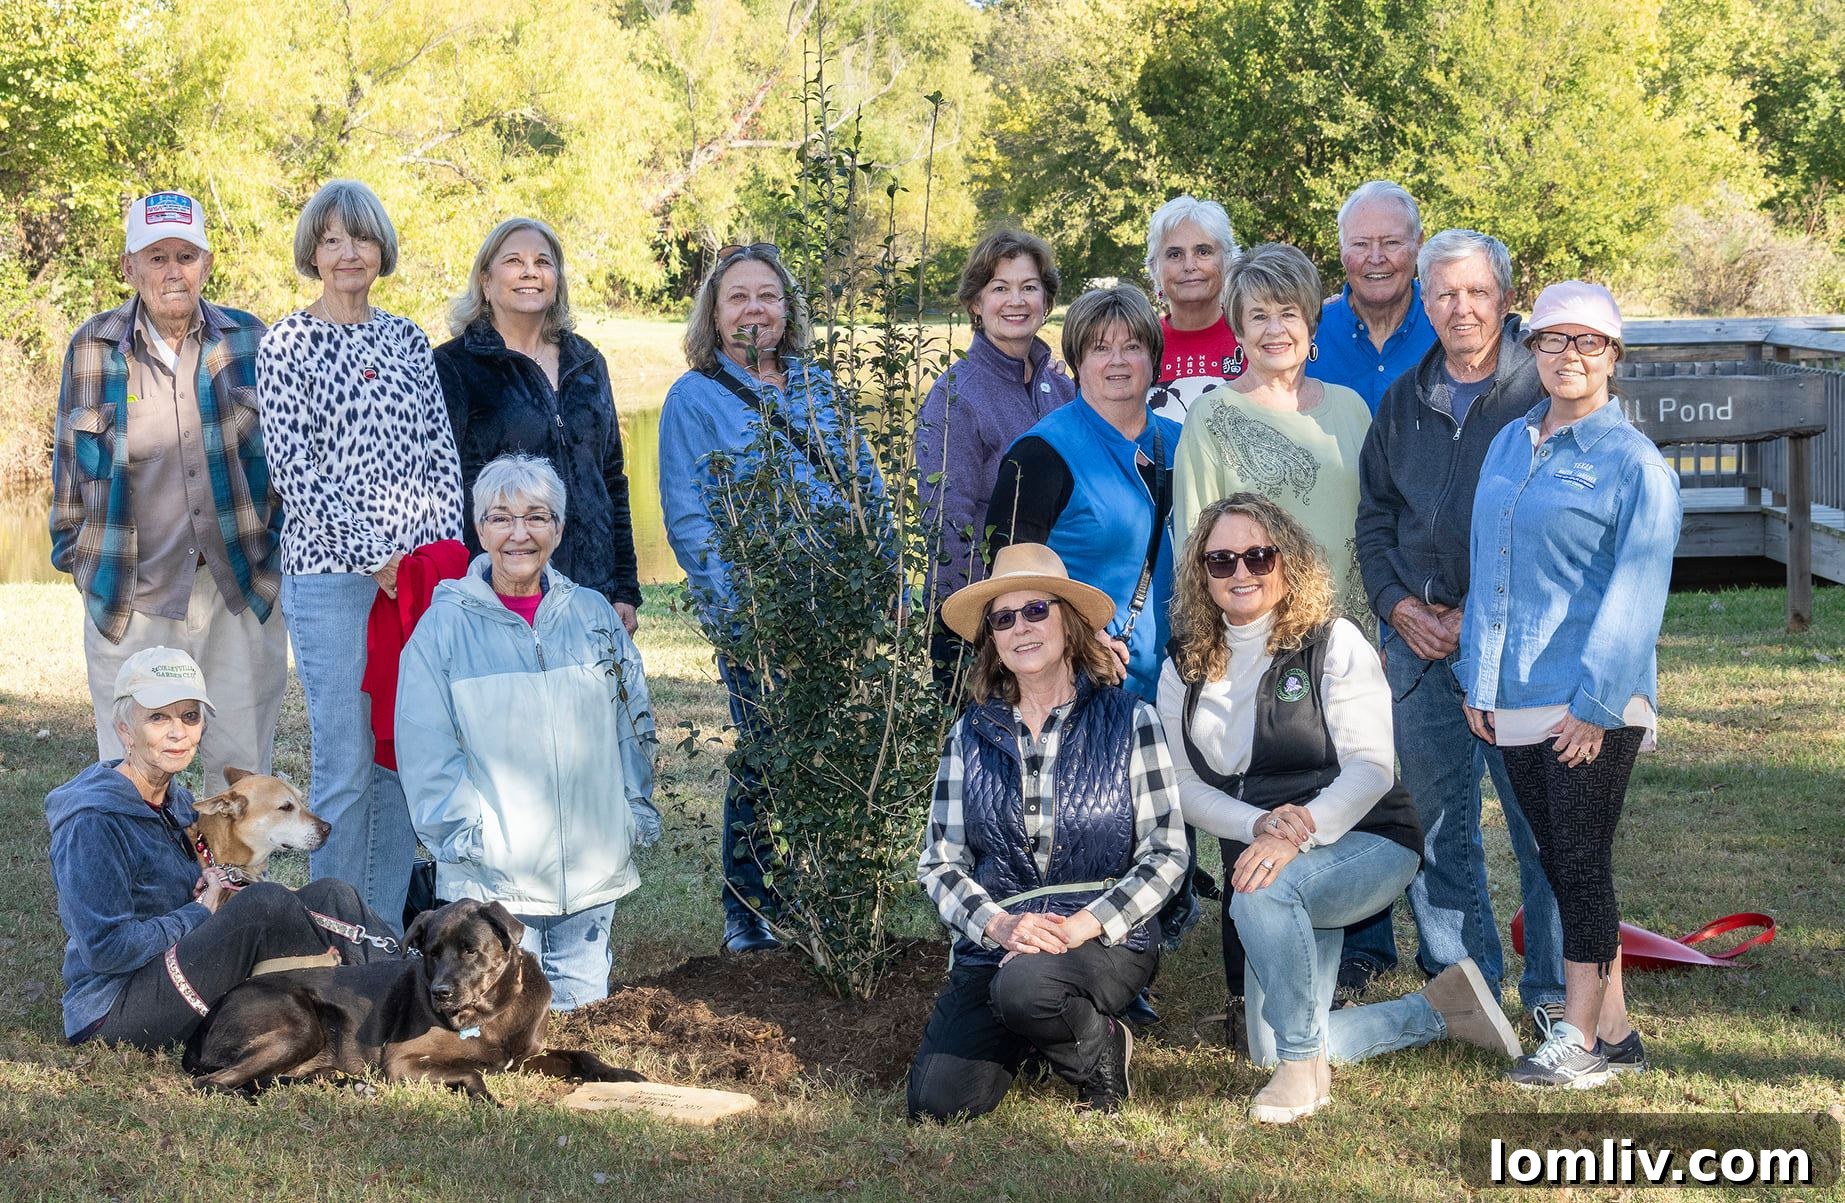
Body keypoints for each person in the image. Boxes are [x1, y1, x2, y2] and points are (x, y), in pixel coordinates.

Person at [1159, 494, 1521, 1124]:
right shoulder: (1182, 665)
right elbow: (1185, 788)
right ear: (1201, 574)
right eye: (1221, 561)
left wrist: (1297, 829)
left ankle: (1302, 1072)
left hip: (1366, 840)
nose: (1241, 572)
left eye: (1257, 555)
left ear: (1287, 560)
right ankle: (1438, 1009)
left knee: (1259, 898)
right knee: (1261, 1038)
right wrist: (1255, 826)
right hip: (1266, 854)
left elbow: (1372, 769)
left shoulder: (1333, 641)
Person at [1459, 283, 1680, 1089]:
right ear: (1533, 350)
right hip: (1511, 692)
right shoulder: (1509, 444)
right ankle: (1616, 1030)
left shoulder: (1634, 466)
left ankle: (1580, 1041)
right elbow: (1490, 567)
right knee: (1556, 862)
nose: (1570, 356)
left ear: (1613, 357)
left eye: (1589, 342)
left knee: (1581, 862)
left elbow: (1636, 593)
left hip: (1591, 698)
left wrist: (1593, 706)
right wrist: (1477, 679)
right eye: (1553, 340)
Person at [1356, 229, 1564, 1026]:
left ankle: (1551, 994)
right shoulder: (1402, 400)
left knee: (1539, 825)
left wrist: (1480, 612)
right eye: (1443, 293)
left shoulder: (1541, 392)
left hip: (1518, 654)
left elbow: (1554, 527)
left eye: (1475, 292)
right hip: (1416, 651)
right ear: (1423, 301)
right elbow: (1374, 521)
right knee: (1439, 826)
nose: (1460, 308)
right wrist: (1398, 605)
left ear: (1504, 298)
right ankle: (1463, 989)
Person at [908, 544, 1188, 1121]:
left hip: (1104, 934)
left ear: (1068, 619)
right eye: (1003, 618)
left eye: (1036, 610)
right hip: (1001, 940)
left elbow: (1166, 852)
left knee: (1027, 989)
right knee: (939, 1102)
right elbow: (939, 862)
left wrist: (1082, 927)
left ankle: (1102, 1052)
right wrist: (999, 924)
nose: (1021, 628)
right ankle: (1036, 1030)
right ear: (992, 638)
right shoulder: (970, 734)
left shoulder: (1130, 719)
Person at [658, 243, 878, 954]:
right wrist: (744, 619)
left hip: (834, 605)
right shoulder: (693, 398)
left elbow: (864, 487)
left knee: (830, 749)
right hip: (758, 611)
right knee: (765, 749)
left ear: (788, 310)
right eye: (738, 298)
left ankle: (819, 893)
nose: (755, 309)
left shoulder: (819, 389)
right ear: (715, 315)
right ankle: (747, 905)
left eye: (768, 296)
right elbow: (690, 520)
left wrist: (881, 583)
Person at [257, 179, 464, 929]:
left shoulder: (406, 338)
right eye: (334, 239)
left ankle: (376, 935)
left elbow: (440, 455)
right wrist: (376, 557)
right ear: (313, 250)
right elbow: (295, 471)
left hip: (418, 579)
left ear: (382, 249)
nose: (349, 253)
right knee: (344, 761)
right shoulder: (287, 343)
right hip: (334, 578)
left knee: (402, 754)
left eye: (363, 238)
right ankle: (325, 935)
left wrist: (439, 558)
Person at [397, 454, 659, 1010]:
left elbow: (632, 722)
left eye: (537, 517)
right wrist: (470, 838)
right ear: (479, 529)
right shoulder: (442, 628)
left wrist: (633, 808)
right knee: (499, 1035)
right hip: (495, 883)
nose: (520, 534)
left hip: (591, 870)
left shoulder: (592, 616)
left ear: (559, 529)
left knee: (583, 1022)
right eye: (500, 518)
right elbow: (426, 749)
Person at [50, 191, 288, 796]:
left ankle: (234, 895)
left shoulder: (250, 341)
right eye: (155, 257)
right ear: (129, 267)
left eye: (185, 255)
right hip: (130, 600)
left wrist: (275, 563)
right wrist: (81, 561)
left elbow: (290, 464)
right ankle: (150, 893)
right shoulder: (91, 348)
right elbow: (67, 478)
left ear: (206, 263)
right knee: (136, 787)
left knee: (236, 788)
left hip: (237, 594)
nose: (172, 271)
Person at [48, 647, 400, 1049]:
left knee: (333, 893)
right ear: (125, 729)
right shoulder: (92, 821)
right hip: (113, 1012)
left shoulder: (174, 801)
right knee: (264, 901)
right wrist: (199, 912)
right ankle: (399, 997)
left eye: (190, 716)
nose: (177, 731)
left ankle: (404, 995)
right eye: (158, 717)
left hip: (174, 968)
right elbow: (107, 950)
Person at [435, 217, 641, 633]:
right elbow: (444, 489)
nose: (530, 271)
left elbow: (611, 480)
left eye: (542, 262)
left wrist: (624, 588)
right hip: (503, 590)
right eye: (514, 260)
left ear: (557, 280)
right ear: (486, 280)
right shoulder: (455, 366)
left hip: (592, 590)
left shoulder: (587, 362)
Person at [985, 285, 1180, 703]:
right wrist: (1086, 639)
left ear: (1153, 358)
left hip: (1183, 682)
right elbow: (1010, 579)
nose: (1117, 361)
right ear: (1076, 360)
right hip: (1088, 681)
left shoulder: (1184, 442)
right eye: (1099, 348)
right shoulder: (1040, 454)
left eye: (1132, 346)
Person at [1172, 243, 1372, 632]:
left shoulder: (1352, 409)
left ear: (1311, 324)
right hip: (1254, 644)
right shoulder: (1211, 416)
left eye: (1288, 314)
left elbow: (1376, 526)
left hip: (1352, 639)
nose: (1275, 330)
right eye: (1259, 316)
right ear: (1239, 329)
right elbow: (1194, 550)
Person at [915, 229, 1075, 689]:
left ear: (1046, 301)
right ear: (975, 303)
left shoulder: (1065, 390)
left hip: (1053, 615)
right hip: (984, 624)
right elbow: (946, 522)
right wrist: (985, 625)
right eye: (1000, 288)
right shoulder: (956, 396)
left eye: (1029, 287)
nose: (1016, 300)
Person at [1306, 181, 1436, 413]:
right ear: (1341, 248)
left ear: (1419, 243)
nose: (1376, 258)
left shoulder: (1445, 328)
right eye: (1360, 244)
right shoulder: (1308, 334)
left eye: (1391, 243)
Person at [1143, 195, 1243, 422]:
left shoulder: (1255, 338)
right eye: (1174, 254)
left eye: (1203, 252)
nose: (1189, 266)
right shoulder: (1138, 345)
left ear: (1228, 260)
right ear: (1154, 267)